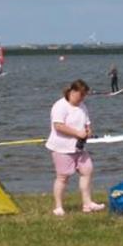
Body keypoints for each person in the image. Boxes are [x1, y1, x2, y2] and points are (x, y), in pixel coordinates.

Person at [46, 80, 105, 216]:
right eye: (80, 95)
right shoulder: (60, 106)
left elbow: (87, 124)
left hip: (79, 148)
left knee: (87, 170)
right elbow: (58, 126)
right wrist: (77, 133)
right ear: (72, 92)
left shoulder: (82, 106)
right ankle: (58, 207)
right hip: (62, 148)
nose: (82, 98)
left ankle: (87, 203)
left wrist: (88, 131)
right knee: (63, 177)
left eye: (84, 95)